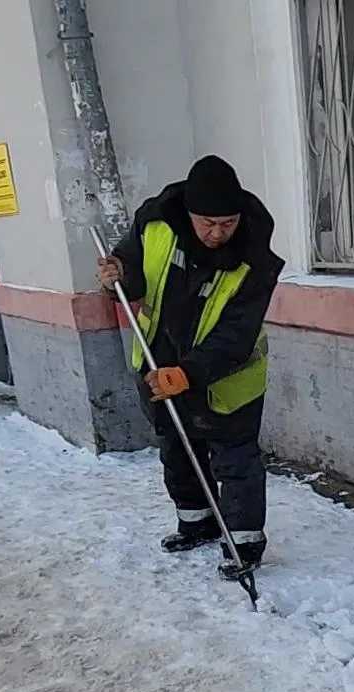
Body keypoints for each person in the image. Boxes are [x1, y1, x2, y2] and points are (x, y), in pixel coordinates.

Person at [96, 155, 283, 580]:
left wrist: (188, 374)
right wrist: (117, 276)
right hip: (158, 362)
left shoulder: (256, 257)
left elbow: (236, 333)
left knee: (235, 461)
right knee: (178, 448)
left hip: (229, 379)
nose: (218, 233)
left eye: (228, 223)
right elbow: (131, 276)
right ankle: (197, 520)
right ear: (189, 215)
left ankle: (244, 541)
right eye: (208, 223)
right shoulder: (156, 226)